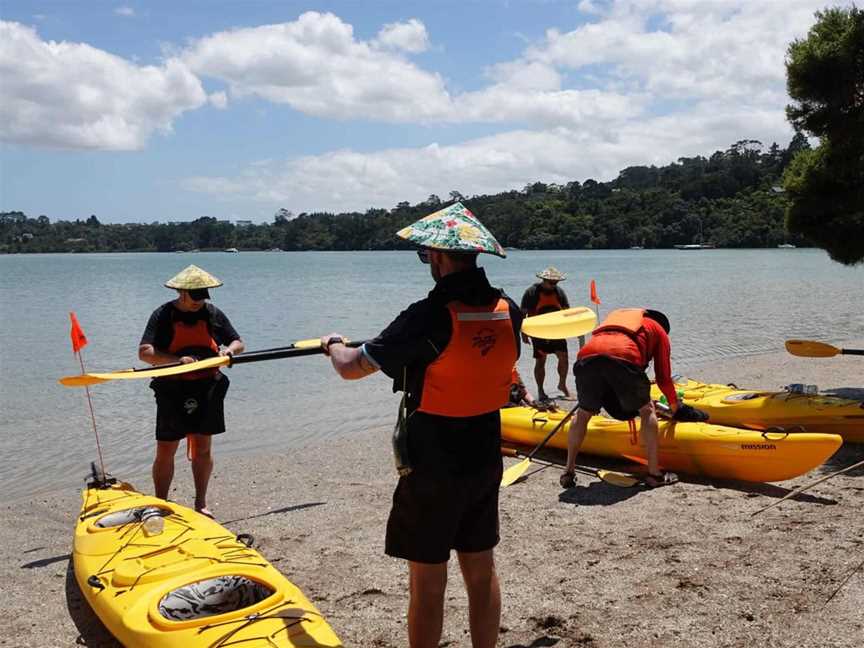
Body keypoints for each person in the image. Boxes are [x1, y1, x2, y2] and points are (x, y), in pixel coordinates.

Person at [320, 202, 522, 648]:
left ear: (439, 255)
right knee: (481, 567)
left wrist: (331, 345)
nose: (427, 261)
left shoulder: (428, 314)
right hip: (486, 453)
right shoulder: (511, 309)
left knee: (428, 581)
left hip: (433, 463)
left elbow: (353, 367)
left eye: (427, 254)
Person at [138, 264, 245, 517]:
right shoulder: (162, 315)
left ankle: (200, 503)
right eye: (194, 297)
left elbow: (238, 342)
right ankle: (161, 504)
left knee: (203, 447)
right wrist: (176, 360)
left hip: (207, 386)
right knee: (166, 448)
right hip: (171, 387)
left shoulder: (211, 313)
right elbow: (145, 353)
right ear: (182, 293)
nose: (199, 302)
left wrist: (228, 351)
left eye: (203, 296)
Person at [559, 308, 698, 489]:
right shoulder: (659, 331)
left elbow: (605, 364)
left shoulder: (618, 322)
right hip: (624, 356)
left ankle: (568, 471)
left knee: (584, 413)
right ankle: (655, 474)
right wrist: (674, 407)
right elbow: (663, 378)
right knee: (646, 409)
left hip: (586, 358)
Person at [520, 267, 572, 401]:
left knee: (564, 358)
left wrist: (574, 328)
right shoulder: (531, 292)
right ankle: (541, 390)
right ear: (544, 280)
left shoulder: (559, 293)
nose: (554, 284)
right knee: (541, 361)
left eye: (556, 282)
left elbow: (567, 311)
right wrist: (523, 333)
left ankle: (562, 385)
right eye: (551, 282)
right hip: (539, 331)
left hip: (556, 331)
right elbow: (522, 313)